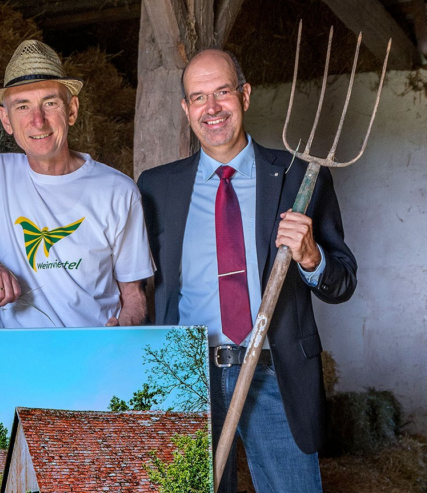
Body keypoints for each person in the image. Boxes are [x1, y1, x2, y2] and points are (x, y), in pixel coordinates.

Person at [137, 49, 357, 492]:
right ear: (186, 109)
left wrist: (311, 257)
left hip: (276, 372)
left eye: (222, 92)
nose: (212, 108)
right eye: (198, 98)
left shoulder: (299, 177)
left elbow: (343, 281)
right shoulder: (157, 187)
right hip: (187, 376)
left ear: (245, 94)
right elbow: (141, 283)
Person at [0, 40, 154, 328]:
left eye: (50, 103)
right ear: (6, 120)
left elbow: (134, 295)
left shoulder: (118, 191)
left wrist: (122, 332)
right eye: (22, 106)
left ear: (72, 110)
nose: (38, 121)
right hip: (17, 361)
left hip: (92, 357)